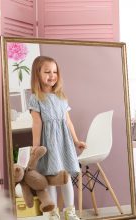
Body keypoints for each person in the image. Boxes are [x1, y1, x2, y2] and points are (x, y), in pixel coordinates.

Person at [28, 56, 86, 220]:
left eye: (54, 72)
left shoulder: (61, 97)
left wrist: (76, 141)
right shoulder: (36, 98)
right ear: (37, 74)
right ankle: (53, 212)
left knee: (65, 177)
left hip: (64, 143)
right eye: (47, 72)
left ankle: (70, 211)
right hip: (48, 144)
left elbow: (68, 121)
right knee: (50, 177)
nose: (52, 75)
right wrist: (36, 146)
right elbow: (37, 123)